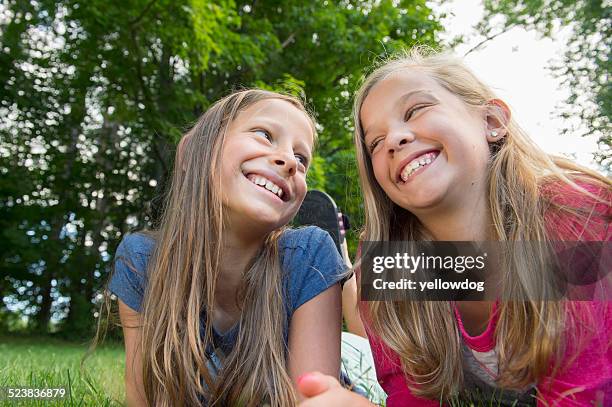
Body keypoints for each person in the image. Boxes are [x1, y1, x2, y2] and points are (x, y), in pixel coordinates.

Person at [298, 47, 611, 406]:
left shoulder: (574, 213)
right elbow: (413, 395)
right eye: (376, 142)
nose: (395, 139)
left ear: (492, 121)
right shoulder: (393, 265)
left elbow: (583, 397)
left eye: (415, 110)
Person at [107, 89, 347, 406]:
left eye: (301, 159)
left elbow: (313, 400)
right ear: (194, 151)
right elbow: (144, 398)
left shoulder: (309, 252)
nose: (290, 160)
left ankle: (341, 258)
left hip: (344, 355)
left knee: (366, 340)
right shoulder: (141, 258)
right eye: (264, 134)